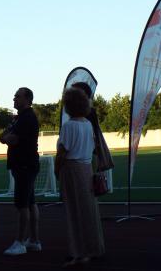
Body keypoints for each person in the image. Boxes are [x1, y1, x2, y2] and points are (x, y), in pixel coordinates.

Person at [55, 87, 105, 267]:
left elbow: (62, 152)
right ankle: (93, 248)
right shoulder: (88, 124)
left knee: (74, 212)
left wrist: (57, 171)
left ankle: (79, 253)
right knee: (89, 211)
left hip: (72, 170)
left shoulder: (69, 126)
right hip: (86, 168)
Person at [0, 87, 42, 256]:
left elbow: (12, 138)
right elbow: (3, 137)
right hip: (25, 165)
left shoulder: (27, 118)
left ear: (27, 99)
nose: (14, 98)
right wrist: (7, 138)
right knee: (30, 203)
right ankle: (34, 240)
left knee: (22, 205)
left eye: (17, 96)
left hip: (25, 165)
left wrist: (8, 138)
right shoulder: (19, 118)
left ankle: (20, 242)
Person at [71, 82, 114, 174]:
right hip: (87, 157)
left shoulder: (86, 114)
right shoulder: (88, 113)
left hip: (85, 159)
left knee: (88, 185)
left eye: (73, 94)